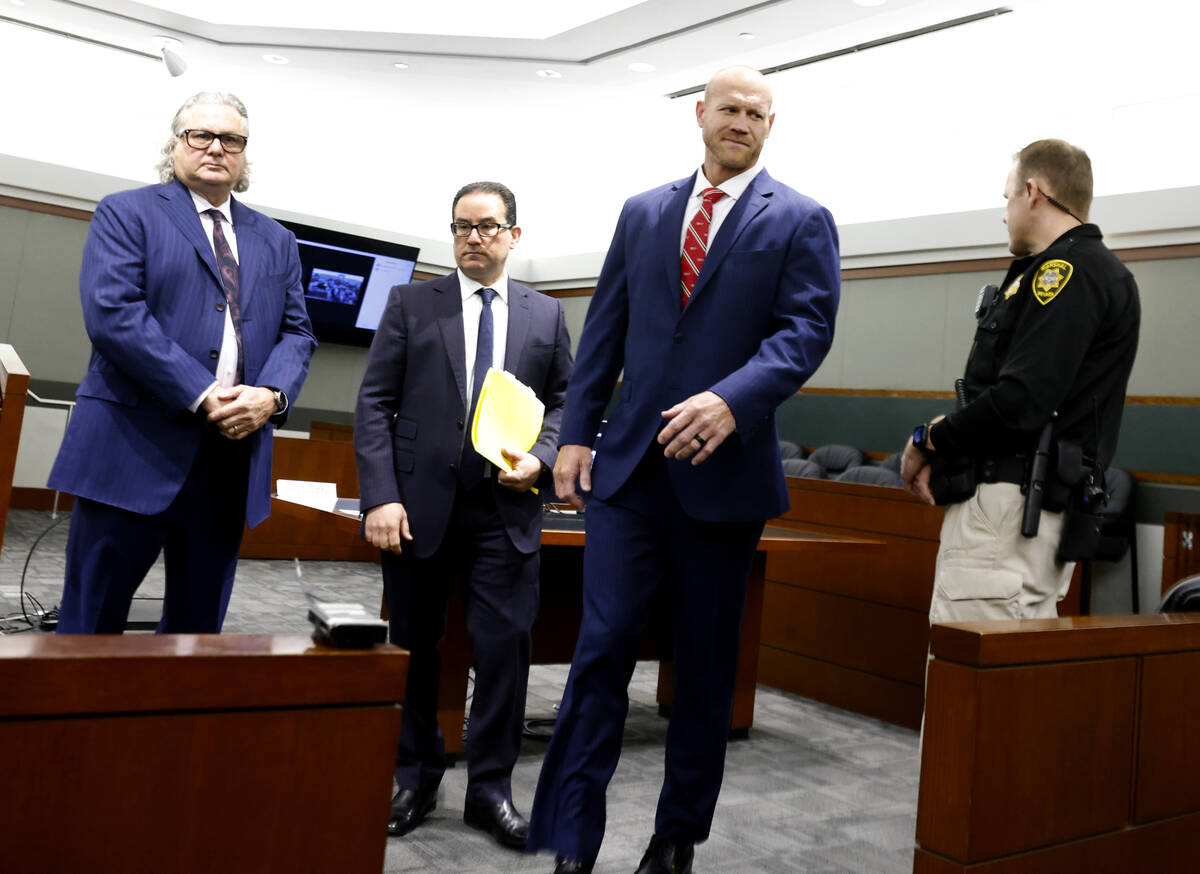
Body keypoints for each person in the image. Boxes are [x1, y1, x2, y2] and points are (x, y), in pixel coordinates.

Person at [528, 66, 841, 874]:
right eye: (730, 109)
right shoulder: (644, 212)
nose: (742, 122)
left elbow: (803, 335)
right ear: (700, 115)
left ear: (773, 126)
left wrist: (733, 401)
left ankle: (676, 841)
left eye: (758, 114)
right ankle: (572, 837)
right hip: (628, 476)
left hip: (725, 476)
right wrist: (574, 433)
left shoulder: (802, 219)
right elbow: (605, 330)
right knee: (601, 650)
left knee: (704, 664)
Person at [354, 181, 573, 849]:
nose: (473, 237)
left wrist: (541, 455)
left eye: (487, 226)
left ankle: (490, 791)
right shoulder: (410, 303)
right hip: (417, 510)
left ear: (514, 235)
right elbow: (373, 407)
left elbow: (568, 403)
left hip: (506, 513)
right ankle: (416, 776)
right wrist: (380, 497)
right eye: (461, 227)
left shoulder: (546, 315)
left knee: (505, 653)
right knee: (415, 649)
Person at [49, 91, 315, 634]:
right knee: (90, 627)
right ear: (175, 145)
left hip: (229, 459)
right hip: (131, 450)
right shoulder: (126, 212)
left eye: (232, 140)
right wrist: (203, 392)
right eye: (202, 135)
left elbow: (298, 332)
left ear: (244, 155)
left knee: (197, 632)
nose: (216, 148)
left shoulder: (278, 241)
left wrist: (272, 396)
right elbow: (114, 315)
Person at [900, 139, 1140, 624]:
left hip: (1006, 516)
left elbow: (1020, 402)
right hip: (1025, 513)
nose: (1004, 212)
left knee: (966, 688)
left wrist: (928, 438)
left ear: (1033, 191)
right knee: (1007, 688)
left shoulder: (1064, 271)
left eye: (1007, 197)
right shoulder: (1093, 271)